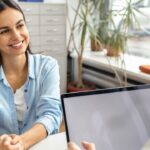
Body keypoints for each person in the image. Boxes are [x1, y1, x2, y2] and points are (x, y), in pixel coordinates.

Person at [0, 0, 62, 149]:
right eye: (4, 31)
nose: (16, 35)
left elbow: (51, 114)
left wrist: (21, 142)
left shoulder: (47, 67)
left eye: (20, 25)